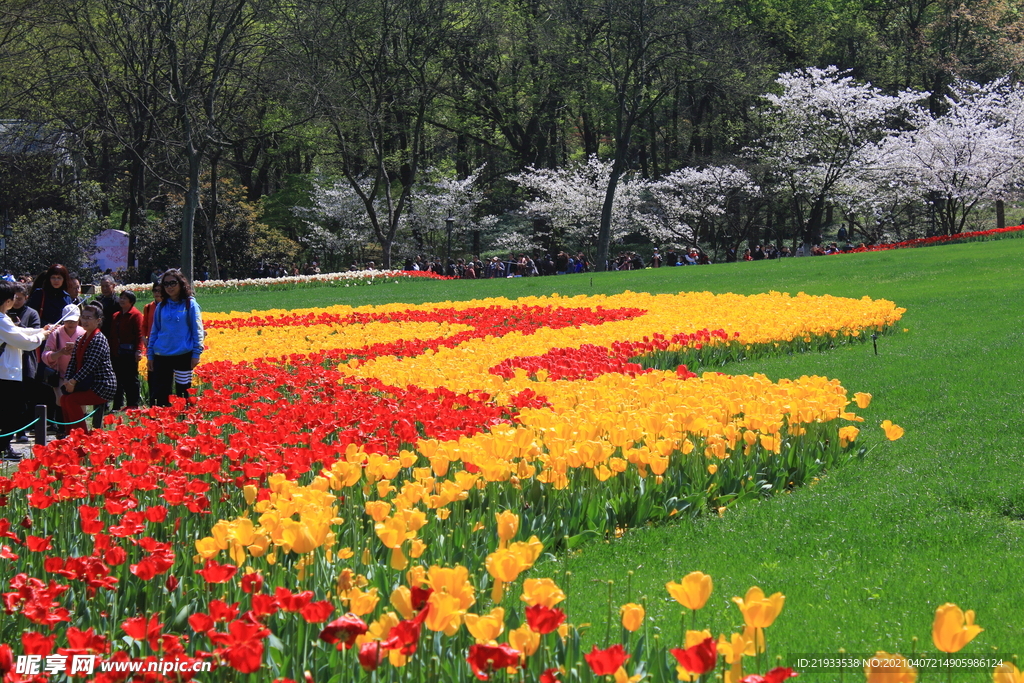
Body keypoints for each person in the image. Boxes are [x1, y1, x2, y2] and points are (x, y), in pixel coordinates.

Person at [1, 281, 51, 459]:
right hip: (5, 373)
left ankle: (4, 446)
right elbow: (24, 343)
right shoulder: (1, 320)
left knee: (10, 411)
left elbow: (18, 332)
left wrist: (40, 330)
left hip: (7, 372)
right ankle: (3, 447)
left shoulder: (4, 318)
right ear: (7, 301)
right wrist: (41, 336)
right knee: (11, 412)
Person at [147, 269, 204, 407]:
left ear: (181, 283)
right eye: (166, 284)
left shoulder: (190, 305)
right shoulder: (161, 306)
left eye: (173, 283)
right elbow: (155, 332)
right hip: (162, 355)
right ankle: (160, 424)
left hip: (183, 355)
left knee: (182, 393)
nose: (169, 287)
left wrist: (196, 353)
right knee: (160, 393)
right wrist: (150, 355)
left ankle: (182, 423)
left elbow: (197, 330)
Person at [59, 304, 116, 433]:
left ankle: (81, 435)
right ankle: (70, 433)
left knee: (72, 400)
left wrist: (73, 381)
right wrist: (67, 379)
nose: (85, 321)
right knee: (64, 399)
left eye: (89, 318)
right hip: (86, 382)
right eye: (83, 317)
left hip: (102, 385)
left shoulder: (99, 339)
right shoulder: (80, 339)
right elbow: (72, 362)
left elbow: (90, 365)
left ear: (98, 321)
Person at [41, 304, 85, 433]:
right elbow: (45, 355)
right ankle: (62, 430)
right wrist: (60, 353)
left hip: (79, 376)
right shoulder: (56, 334)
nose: (71, 323)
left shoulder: (83, 332)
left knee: (79, 405)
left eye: (74, 320)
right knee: (61, 402)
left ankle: (79, 432)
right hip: (60, 375)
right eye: (68, 320)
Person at [9, 283, 42, 444]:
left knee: (25, 397)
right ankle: (12, 430)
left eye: (20, 299)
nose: (16, 302)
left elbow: (36, 332)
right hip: (9, 360)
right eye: (14, 298)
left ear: (26, 298)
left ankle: (23, 429)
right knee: (12, 399)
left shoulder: (32, 313)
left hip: (26, 359)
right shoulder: (5, 312)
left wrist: (19, 327)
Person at [111, 290, 144, 410]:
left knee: (131, 379)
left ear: (131, 301)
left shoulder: (136, 315)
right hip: (117, 352)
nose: (122, 300)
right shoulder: (116, 316)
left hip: (130, 352)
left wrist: (138, 350)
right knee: (117, 379)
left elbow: (140, 334)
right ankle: (117, 404)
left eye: (125, 298)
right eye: (121, 297)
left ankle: (132, 404)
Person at [142, 282, 162, 347]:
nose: (157, 293)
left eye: (159, 291)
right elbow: (144, 325)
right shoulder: (148, 307)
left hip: (165, 343)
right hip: (152, 343)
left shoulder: (169, 306)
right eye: (155, 290)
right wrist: (144, 337)